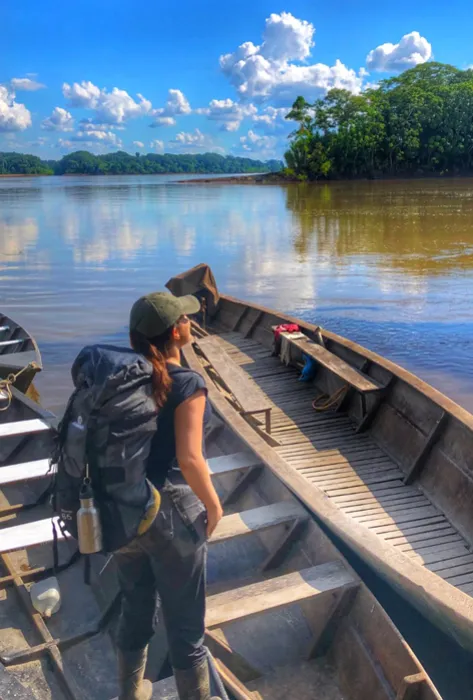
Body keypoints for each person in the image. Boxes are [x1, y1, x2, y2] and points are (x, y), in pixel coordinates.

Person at [114, 291, 224, 700]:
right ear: (177, 331)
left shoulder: (122, 379)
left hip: (123, 511)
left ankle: (130, 694)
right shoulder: (188, 384)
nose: (191, 323)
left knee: (135, 609)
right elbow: (191, 459)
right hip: (171, 515)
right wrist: (214, 506)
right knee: (186, 628)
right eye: (186, 319)